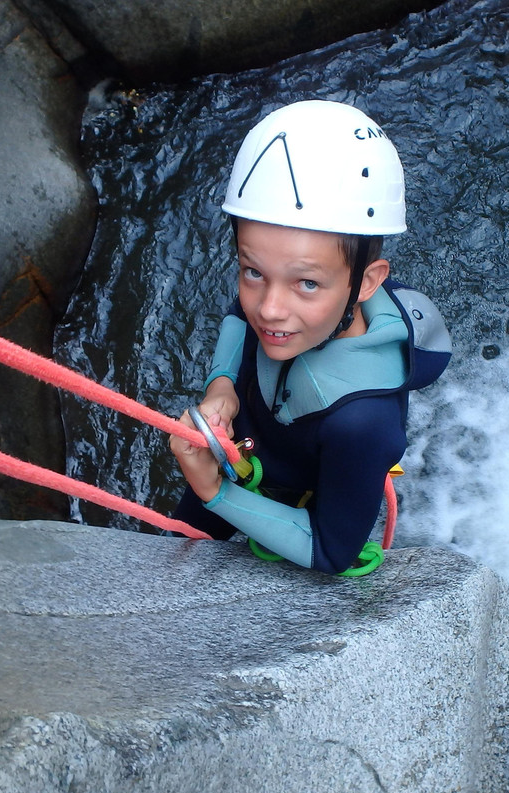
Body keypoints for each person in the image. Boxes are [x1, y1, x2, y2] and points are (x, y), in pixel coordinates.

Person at [169, 99, 451, 575]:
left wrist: (216, 493)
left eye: (307, 283)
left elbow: (331, 551)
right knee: (173, 550)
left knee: (184, 542)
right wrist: (222, 385)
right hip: (239, 446)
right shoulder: (283, 304)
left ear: (365, 283)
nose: (270, 308)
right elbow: (242, 312)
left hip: (287, 493)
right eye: (252, 271)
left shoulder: (362, 422)